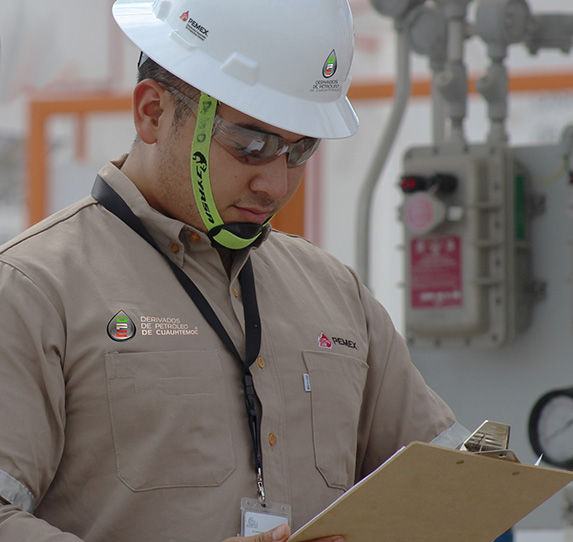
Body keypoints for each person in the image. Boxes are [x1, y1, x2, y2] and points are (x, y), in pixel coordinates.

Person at [0, 0, 468, 541]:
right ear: (152, 113)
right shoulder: (33, 290)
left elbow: (450, 489)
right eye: (251, 145)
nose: (275, 184)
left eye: (300, 149)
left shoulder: (336, 293)